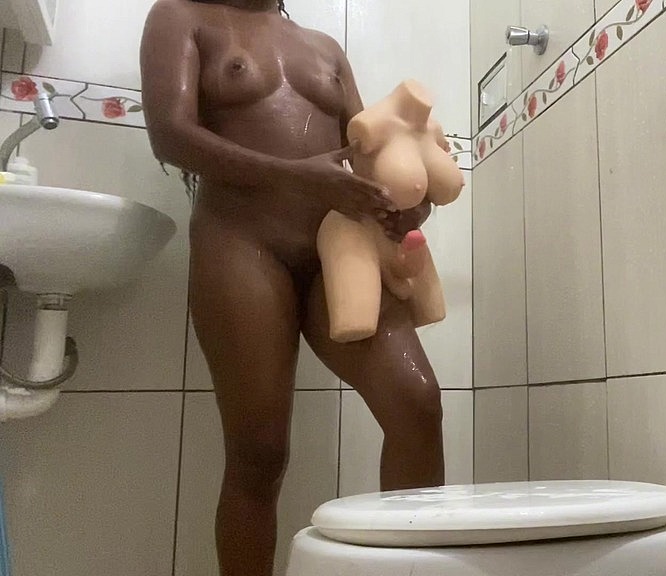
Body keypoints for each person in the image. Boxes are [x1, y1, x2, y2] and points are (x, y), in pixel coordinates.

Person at [139, 1, 444, 574]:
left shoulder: (326, 47)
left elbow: (368, 151)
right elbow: (170, 135)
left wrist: (401, 202)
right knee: (259, 453)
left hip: (338, 251)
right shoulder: (181, 15)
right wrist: (295, 176)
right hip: (242, 244)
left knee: (417, 402)